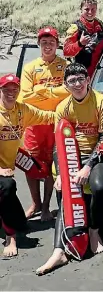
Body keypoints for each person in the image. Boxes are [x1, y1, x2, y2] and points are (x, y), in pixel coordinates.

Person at [36, 63, 103, 275]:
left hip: (97, 155)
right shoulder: (62, 107)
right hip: (71, 155)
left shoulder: (101, 102)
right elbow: (57, 145)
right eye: (72, 81)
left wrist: (88, 167)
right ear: (66, 85)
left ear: (88, 79)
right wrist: (61, 172)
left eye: (80, 79)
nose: (77, 84)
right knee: (64, 194)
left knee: (98, 186)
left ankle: (94, 230)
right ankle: (58, 250)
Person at [0, 74, 55, 258]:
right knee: (7, 187)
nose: (11, 93)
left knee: (22, 223)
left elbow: (46, 116)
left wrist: (67, 117)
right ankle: (10, 238)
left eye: (14, 89)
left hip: (7, 168)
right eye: (6, 89)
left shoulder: (22, 110)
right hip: (1, 172)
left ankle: (10, 222)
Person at [18, 26, 70, 221]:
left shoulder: (65, 66)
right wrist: (54, 91)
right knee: (30, 165)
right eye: (44, 42)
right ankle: (35, 203)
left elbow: (69, 90)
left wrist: (41, 90)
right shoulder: (30, 68)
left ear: (57, 45)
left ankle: (47, 206)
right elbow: (25, 97)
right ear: (39, 44)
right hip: (34, 124)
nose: (48, 46)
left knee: (50, 166)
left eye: (52, 42)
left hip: (57, 123)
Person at [63, 0, 103, 77]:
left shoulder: (102, 25)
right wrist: (80, 44)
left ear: (96, 10)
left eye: (93, 9)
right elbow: (66, 52)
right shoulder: (75, 28)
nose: (90, 12)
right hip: (83, 74)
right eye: (87, 9)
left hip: (102, 72)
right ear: (81, 10)